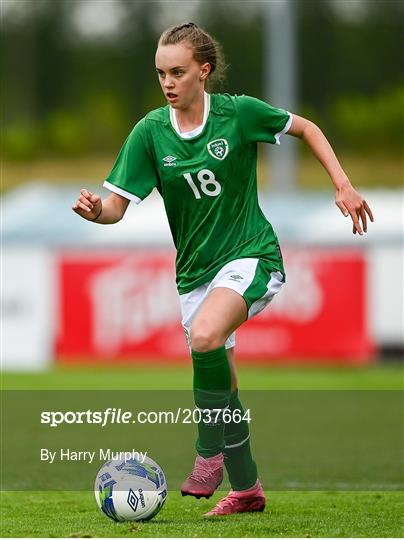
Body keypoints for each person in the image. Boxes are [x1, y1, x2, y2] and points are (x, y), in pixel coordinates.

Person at [72, 22, 373, 517]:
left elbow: (307, 128)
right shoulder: (150, 132)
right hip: (195, 275)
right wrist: (93, 212)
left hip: (252, 254)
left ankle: (207, 450)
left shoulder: (238, 114)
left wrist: (342, 183)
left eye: (177, 72)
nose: (167, 83)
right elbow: (115, 208)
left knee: (207, 336)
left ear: (203, 72)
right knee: (223, 384)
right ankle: (247, 489)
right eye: (160, 73)